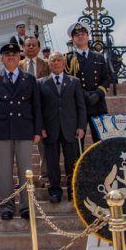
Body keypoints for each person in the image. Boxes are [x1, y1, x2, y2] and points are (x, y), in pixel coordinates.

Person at [0, 42, 42, 220]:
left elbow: (36, 106)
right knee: (3, 171)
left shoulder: (29, 79)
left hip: (24, 128)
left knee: (26, 170)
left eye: (14, 54)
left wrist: (37, 130)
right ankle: (6, 206)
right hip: (2, 129)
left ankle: (26, 206)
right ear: (1, 59)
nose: (11, 57)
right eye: (7, 55)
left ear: (20, 58)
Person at [39, 52, 86, 204]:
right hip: (50, 129)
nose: (56, 63)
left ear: (64, 63)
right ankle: (55, 191)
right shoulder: (41, 83)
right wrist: (41, 127)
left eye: (59, 60)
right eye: (53, 60)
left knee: (71, 161)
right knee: (52, 162)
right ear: (49, 63)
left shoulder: (74, 82)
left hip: (70, 128)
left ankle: (73, 191)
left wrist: (81, 126)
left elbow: (80, 106)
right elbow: (38, 108)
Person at [64, 22, 111, 143]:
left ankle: (101, 162)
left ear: (88, 36)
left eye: (83, 34)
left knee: (101, 140)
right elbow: (68, 80)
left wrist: (98, 93)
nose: (80, 36)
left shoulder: (98, 57)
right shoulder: (68, 59)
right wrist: (83, 94)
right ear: (73, 39)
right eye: (77, 35)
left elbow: (106, 78)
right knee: (78, 142)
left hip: (98, 103)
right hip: (79, 104)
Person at [19, 35, 50, 185]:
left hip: (42, 109)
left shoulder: (46, 64)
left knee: (43, 145)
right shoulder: (18, 65)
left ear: (38, 48)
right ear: (23, 48)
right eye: (28, 45)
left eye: (33, 45)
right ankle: (23, 177)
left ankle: (45, 175)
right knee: (21, 146)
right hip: (23, 109)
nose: (31, 47)